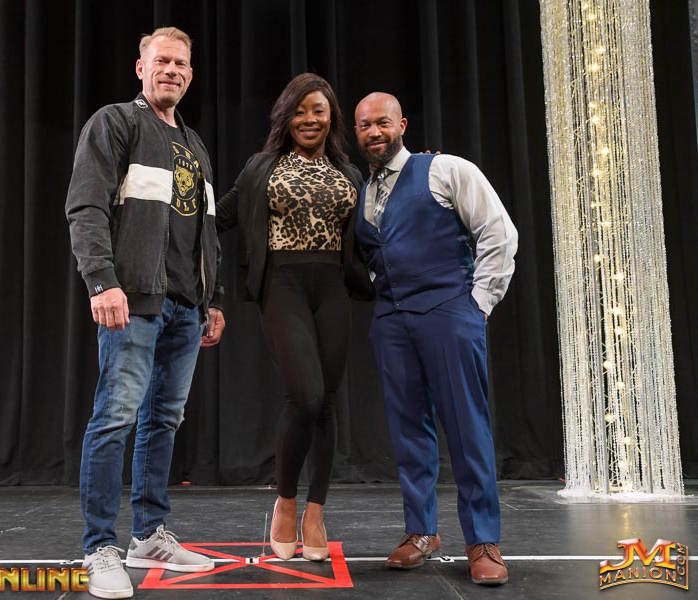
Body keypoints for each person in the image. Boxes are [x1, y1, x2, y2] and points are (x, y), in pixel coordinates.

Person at [65, 27, 225, 599]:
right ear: (141, 67)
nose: (172, 71)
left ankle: (149, 536)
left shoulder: (195, 145)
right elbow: (85, 206)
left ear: (190, 74)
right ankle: (99, 547)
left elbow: (205, 230)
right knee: (115, 417)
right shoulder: (115, 122)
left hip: (185, 305)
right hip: (132, 299)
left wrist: (212, 298)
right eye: (162, 61)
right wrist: (101, 281)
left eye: (181, 64)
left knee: (164, 420)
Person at [353, 92, 518, 586]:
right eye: (364, 126)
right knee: (408, 428)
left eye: (382, 122)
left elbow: (497, 232)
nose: (374, 132)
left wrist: (479, 303)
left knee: (467, 425)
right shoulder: (363, 191)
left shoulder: (445, 169)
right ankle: (421, 531)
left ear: (401, 124)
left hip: (449, 311)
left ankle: (483, 540)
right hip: (392, 318)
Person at [216, 73, 374, 562]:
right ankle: (285, 502)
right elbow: (217, 217)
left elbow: (376, 227)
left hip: (332, 287)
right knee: (304, 395)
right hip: (282, 284)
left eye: (318, 111)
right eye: (300, 111)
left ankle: (315, 511)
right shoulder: (261, 167)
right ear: (286, 117)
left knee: (326, 402)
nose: (309, 119)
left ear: (332, 118)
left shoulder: (349, 173)